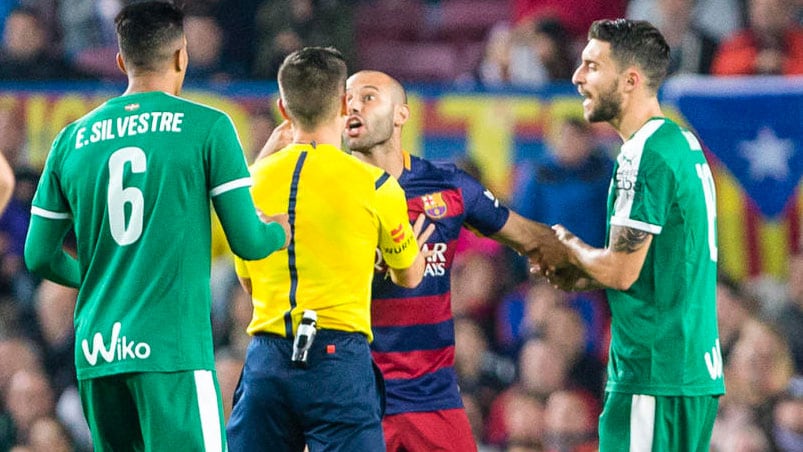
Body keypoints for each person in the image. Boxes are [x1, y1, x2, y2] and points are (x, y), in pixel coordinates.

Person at [23, 2, 290, 450]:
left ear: (122, 60)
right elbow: (248, 239)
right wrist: (280, 231)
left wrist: (90, 276)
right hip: (172, 353)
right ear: (182, 56)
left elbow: (37, 255)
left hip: (98, 354)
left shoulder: (72, 139)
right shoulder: (208, 126)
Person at [257, 69, 567, 451]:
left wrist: (595, 267)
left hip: (433, 399)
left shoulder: (447, 185)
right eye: (346, 99)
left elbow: (528, 236)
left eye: (368, 97)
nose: (353, 105)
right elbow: (267, 262)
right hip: (353, 396)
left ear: (402, 114)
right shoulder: (320, 186)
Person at [225, 47, 432, 452]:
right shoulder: (375, 186)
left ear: (283, 108)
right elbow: (408, 275)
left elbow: (247, 284)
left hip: (267, 360)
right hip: (338, 361)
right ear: (342, 103)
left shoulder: (250, 186)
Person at [540, 18, 726, 451]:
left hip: (653, 373)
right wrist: (581, 273)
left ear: (630, 80)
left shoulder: (642, 155)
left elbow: (621, 271)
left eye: (592, 66)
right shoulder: (681, 143)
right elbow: (653, 270)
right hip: (688, 371)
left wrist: (571, 249)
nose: (577, 77)